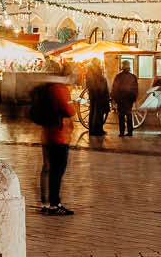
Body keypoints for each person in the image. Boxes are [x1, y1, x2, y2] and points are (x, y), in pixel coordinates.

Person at [32, 79, 76, 215]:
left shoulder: (47, 88)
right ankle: (54, 204)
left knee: (48, 168)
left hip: (48, 134)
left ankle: (46, 202)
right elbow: (70, 110)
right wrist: (72, 103)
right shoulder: (59, 88)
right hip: (59, 135)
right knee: (57, 170)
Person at [111, 61, 139, 137]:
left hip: (121, 99)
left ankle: (122, 132)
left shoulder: (118, 76)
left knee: (121, 116)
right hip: (129, 99)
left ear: (122, 67)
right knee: (129, 115)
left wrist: (114, 98)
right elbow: (135, 89)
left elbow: (115, 88)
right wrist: (134, 99)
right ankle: (130, 132)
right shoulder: (133, 77)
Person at [86, 61, 110, 137]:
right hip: (98, 95)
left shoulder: (91, 71)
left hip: (96, 95)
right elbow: (95, 84)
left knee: (96, 113)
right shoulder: (93, 72)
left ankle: (96, 129)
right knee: (97, 113)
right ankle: (96, 130)